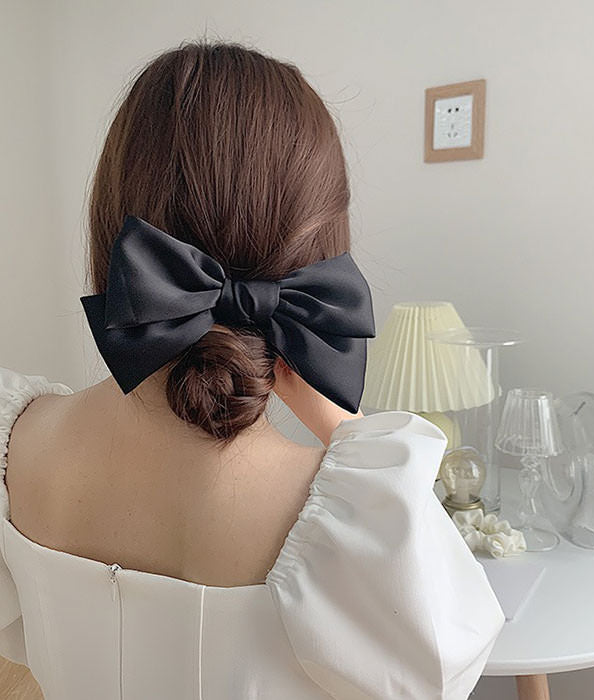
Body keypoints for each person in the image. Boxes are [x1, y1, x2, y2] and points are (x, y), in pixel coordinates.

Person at [0, 40, 505, 699]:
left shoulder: (17, 442)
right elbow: (439, 674)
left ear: (112, 227)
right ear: (321, 247)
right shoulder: (356, 516)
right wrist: (346, 428)